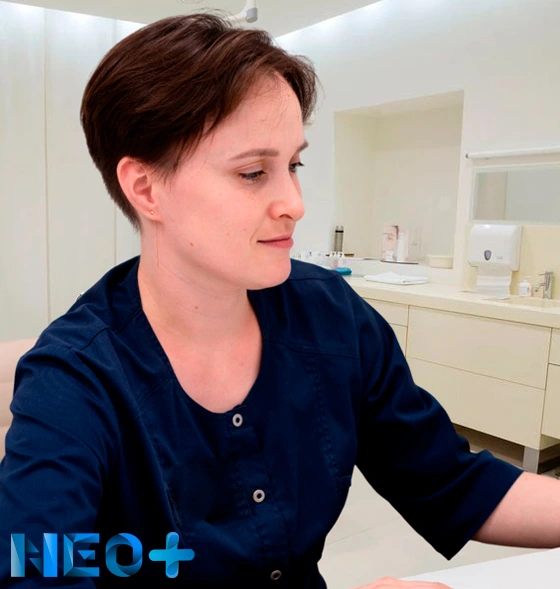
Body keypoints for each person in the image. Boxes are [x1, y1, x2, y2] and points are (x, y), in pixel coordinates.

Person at [1, 12, 560, 589]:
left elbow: (449, 479)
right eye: (252, 172)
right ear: (146, 188)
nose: (294, 202)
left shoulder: (332, 318)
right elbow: (37, 575)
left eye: (293, 165)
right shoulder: (72, 379)